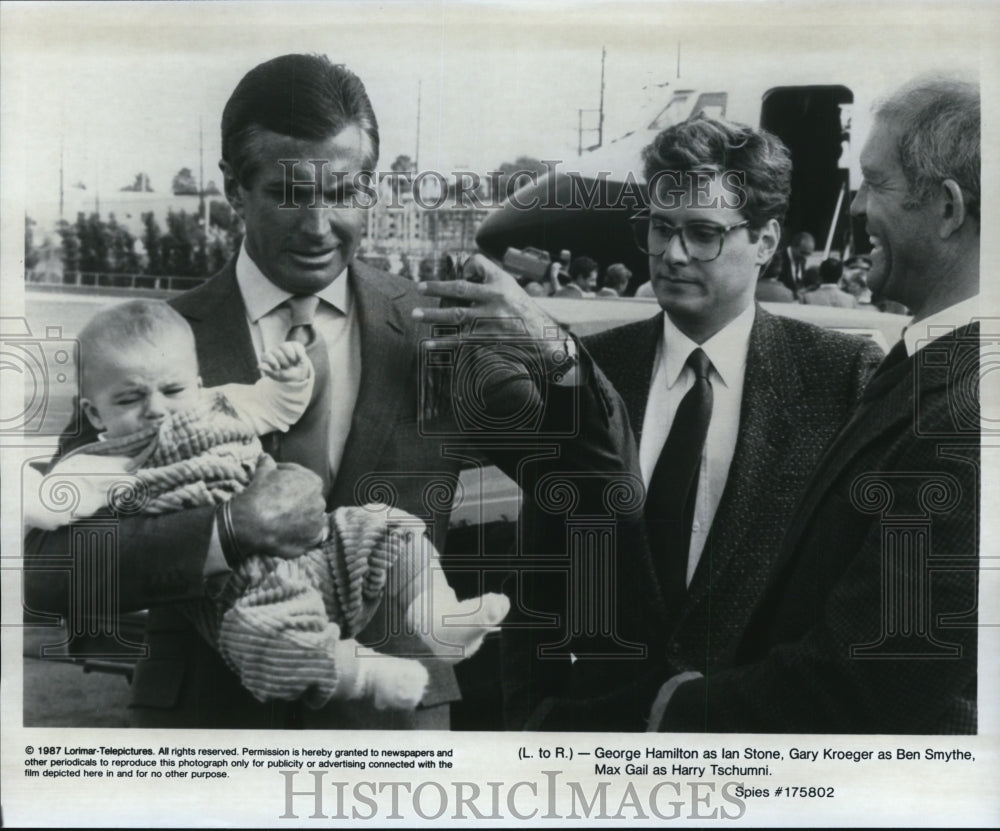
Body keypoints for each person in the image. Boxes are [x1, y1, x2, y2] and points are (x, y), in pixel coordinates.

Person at [24, 54, 496, 729]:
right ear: (233, 190)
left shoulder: (437, 327)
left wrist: (559, 357)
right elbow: (44, 566)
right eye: (288, 193)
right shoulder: (151, 344)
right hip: (210, 729)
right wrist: (226, 529)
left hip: (394, 724)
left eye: (342, 192)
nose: (318, 224)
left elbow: (599, 475)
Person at [504, 114, 884, 731]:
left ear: (765, 241)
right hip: (595, 746)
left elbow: (852, 599)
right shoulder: (592, 367)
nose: (674, 255)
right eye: (660, 229)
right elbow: (540, 576)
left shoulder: (840, 378)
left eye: (704, 233)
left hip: (760, 749)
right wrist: (531, 718)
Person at [647, 76, 980, 733]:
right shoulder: (929, 371)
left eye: (876, 183)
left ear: (947, 208)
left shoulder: (968, 411)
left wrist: (684, 710)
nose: (856, 206)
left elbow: (880, 672)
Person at [25, 300, 508, 712]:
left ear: (195, 382)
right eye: (131, 399)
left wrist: (293, 376)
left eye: (173, 391)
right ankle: (360, 674)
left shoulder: (223, 401)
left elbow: (276, 405)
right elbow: (50, 534)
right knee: (266, 626)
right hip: (232, 594)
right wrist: (229, 530)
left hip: (326, 553)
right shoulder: (103, 459)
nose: (157, 409)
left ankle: (440, 617)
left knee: (384, 525)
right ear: (94, 413)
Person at [764, 229, 815, 298]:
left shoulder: (802, 260)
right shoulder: (778, 259)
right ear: (794, 246)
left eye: (808, 254)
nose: (805, 257)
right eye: (803, 253)